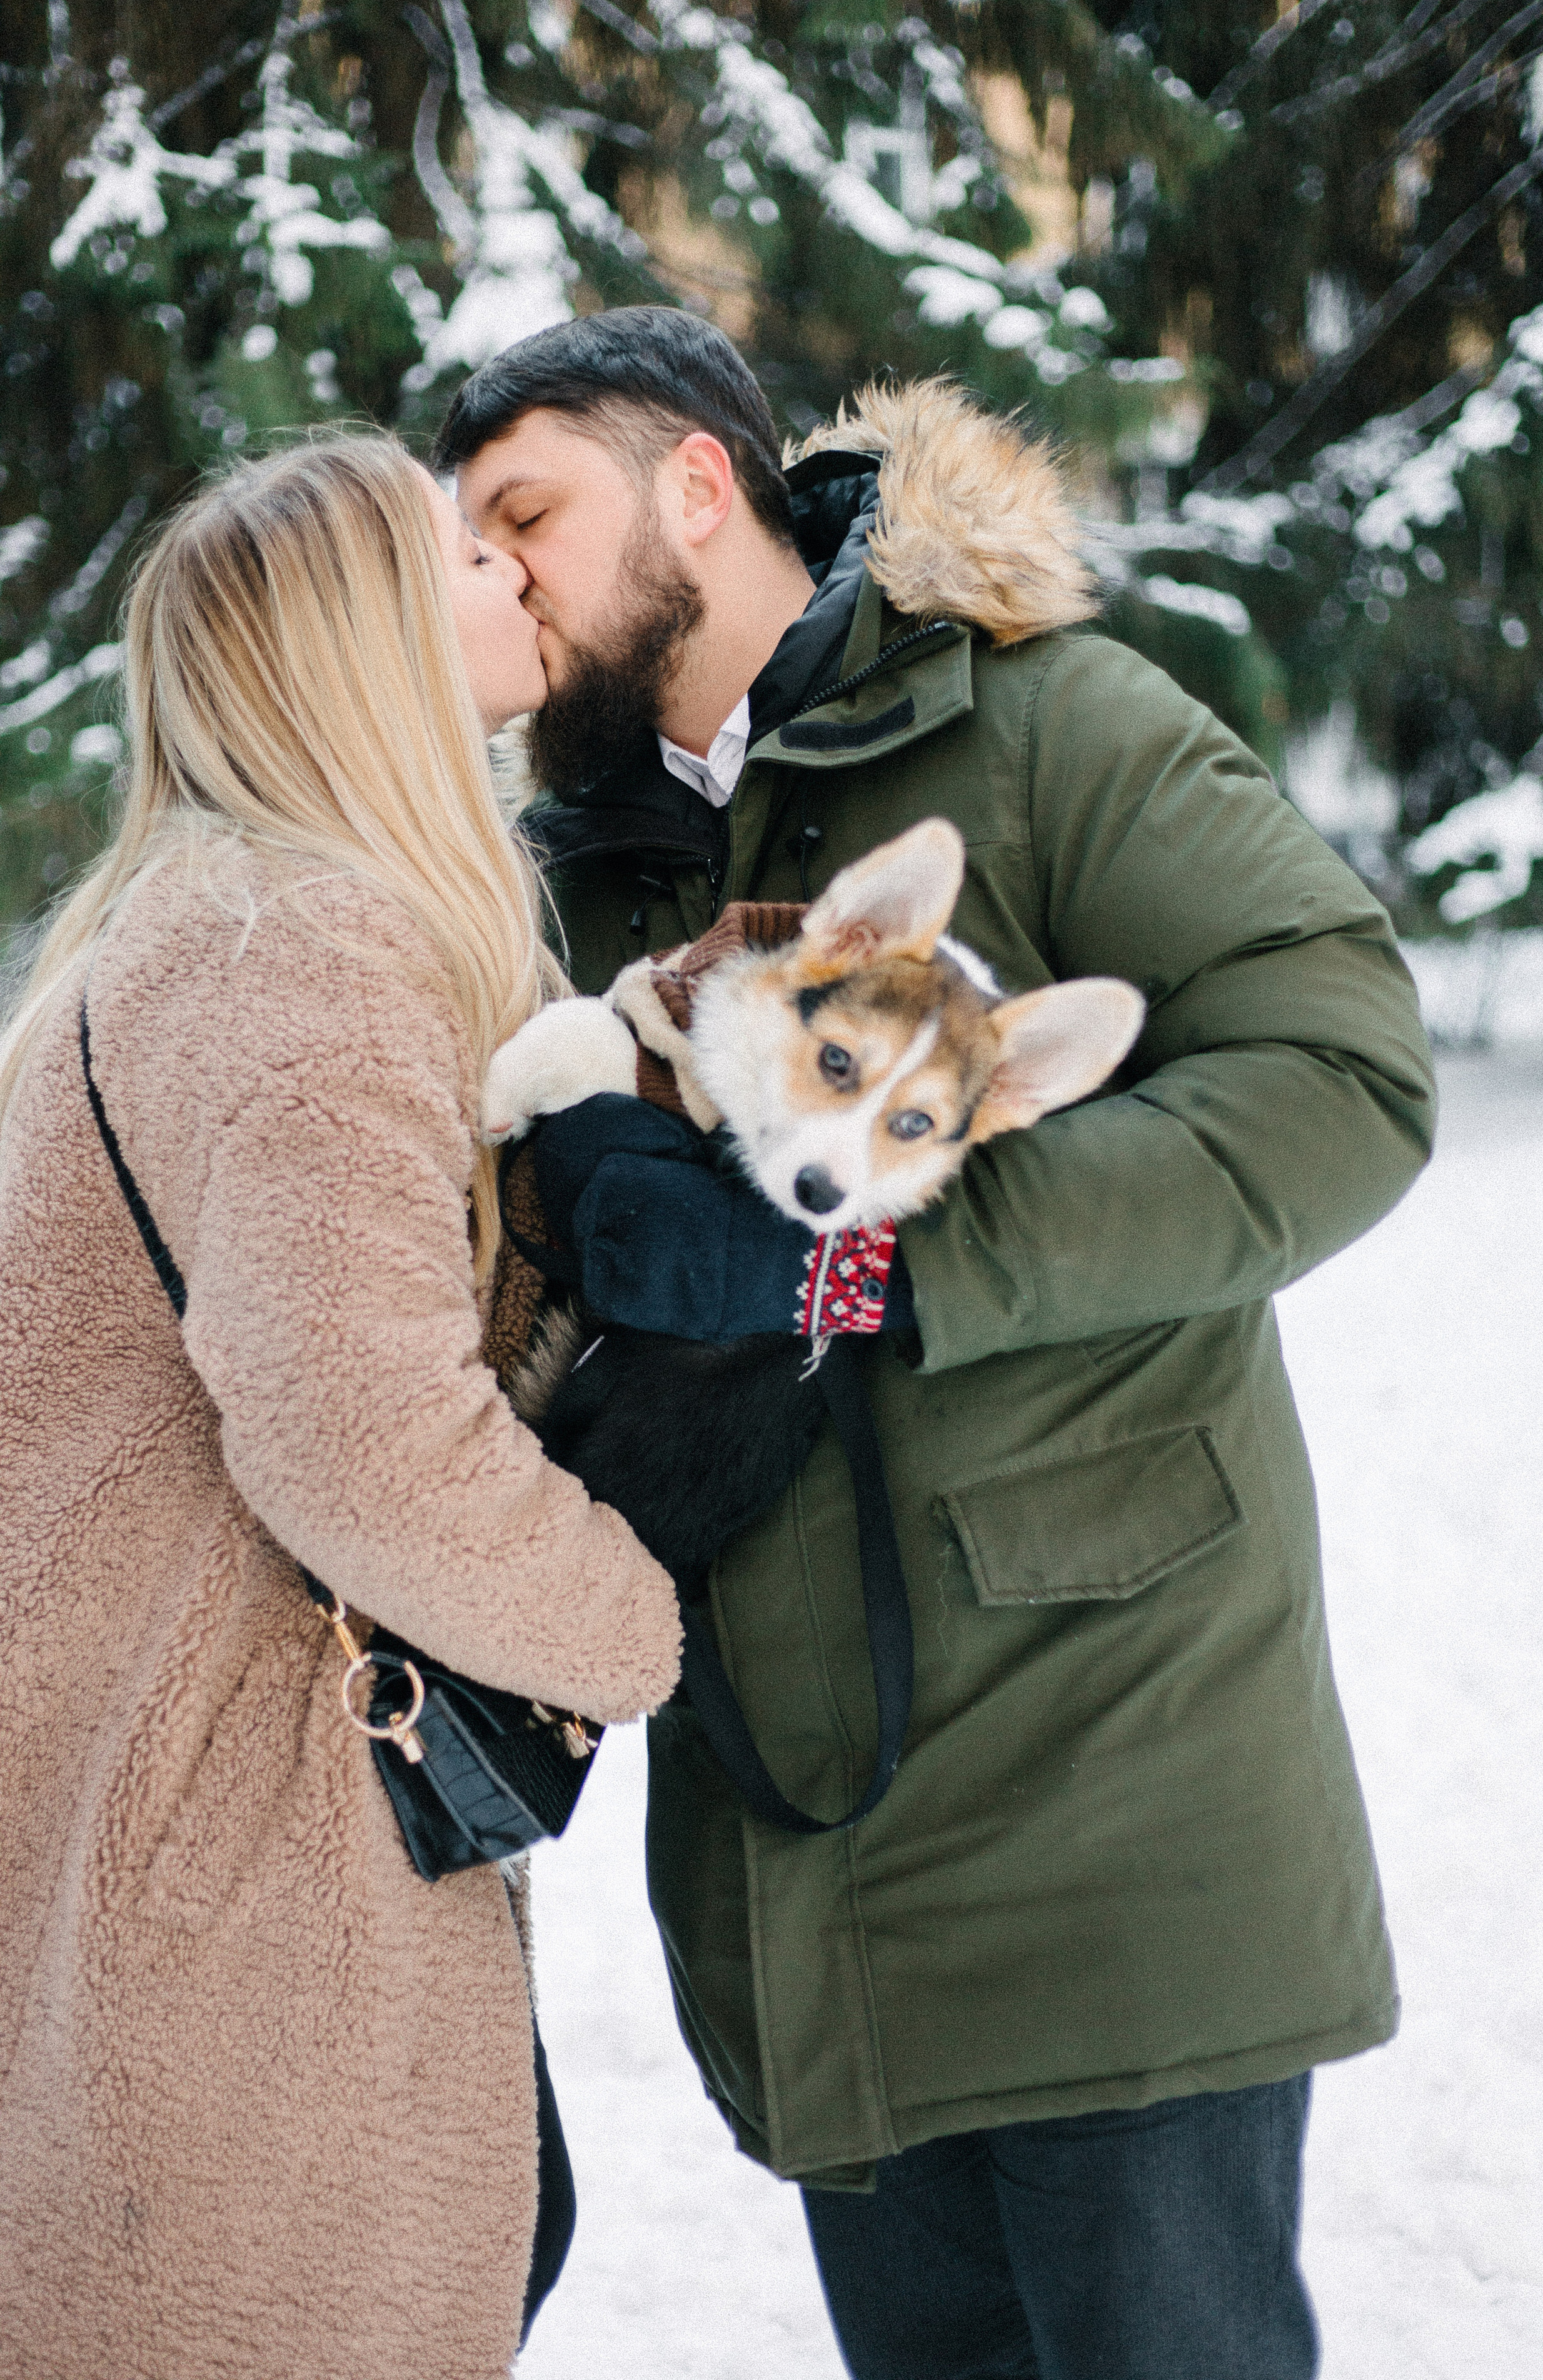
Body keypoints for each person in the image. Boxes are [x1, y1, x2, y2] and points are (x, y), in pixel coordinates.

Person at [441, 306, 1437, 2380]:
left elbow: (1342, 1074)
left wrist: (886, 1268)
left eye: (527, 512)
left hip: (1119, 1816)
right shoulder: (566, 876)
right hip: (812, 1867)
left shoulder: (1055, 727)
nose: (499, 572)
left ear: (697, 490)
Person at [0, 433, 681, 2380]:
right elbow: (357, 1438)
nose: (513, 575)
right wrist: (632, 1622)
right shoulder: (303, 948)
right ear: (363, 641)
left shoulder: (198, 930)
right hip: (228, 1901)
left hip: (136, 1863)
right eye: (462, 551)